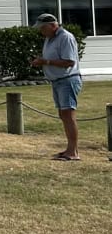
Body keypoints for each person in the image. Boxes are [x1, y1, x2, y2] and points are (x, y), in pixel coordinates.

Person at [30, 13, 83, 161]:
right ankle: (70, 149)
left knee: (68, 115)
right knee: (63, 115)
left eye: (43, 28)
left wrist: (45, 62)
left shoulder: (65, 37)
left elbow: (69, 62)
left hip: (68, 80)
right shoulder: (49, 38)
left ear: (53, 25)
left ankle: (73, 152)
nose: (41, 31)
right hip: (57, 81)